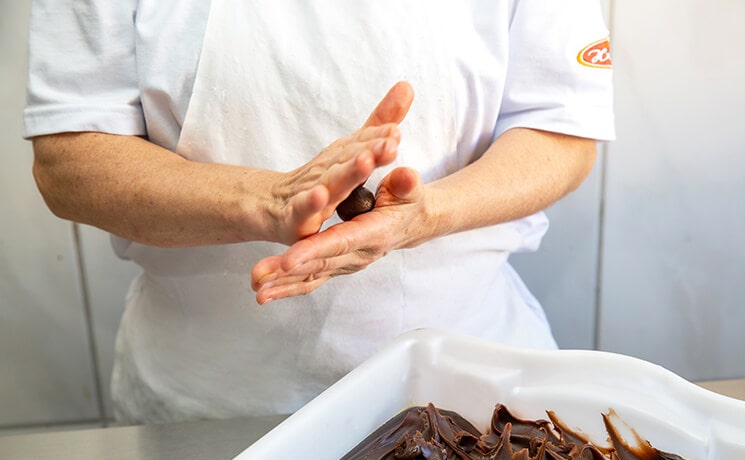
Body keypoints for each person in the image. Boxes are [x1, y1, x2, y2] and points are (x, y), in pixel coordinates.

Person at [24, 1, 615, 424]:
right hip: (208, 410)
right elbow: (69, 161)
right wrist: (265, 201)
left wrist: (427, 213)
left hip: (471, 391)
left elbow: (560, 130)